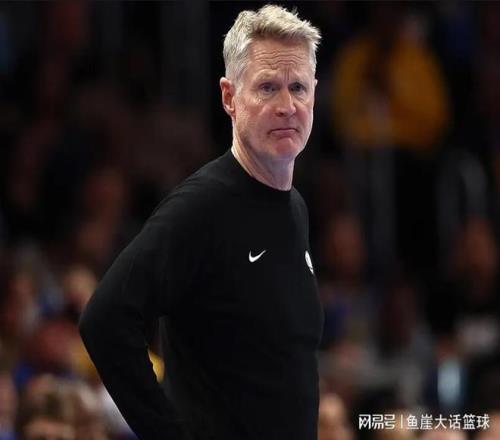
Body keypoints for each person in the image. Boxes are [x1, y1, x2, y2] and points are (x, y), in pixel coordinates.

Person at [79, 4, 322, 440]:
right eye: (267, 87)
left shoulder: (296, 208)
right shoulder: (202, 206)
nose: (287, 105)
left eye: (298, 87)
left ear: (314, 94)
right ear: (229, 97)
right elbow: (104, 321)